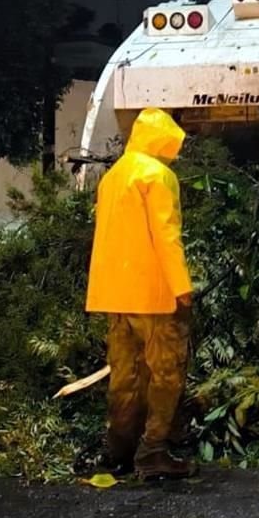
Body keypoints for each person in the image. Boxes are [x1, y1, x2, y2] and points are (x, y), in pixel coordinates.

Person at [85, 108, 196, 480]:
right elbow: (166, 235)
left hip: (115, 295)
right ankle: (152, 453)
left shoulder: (113, 177)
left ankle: (119, 450)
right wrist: (182, 286)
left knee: (125, 374)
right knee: (165, 373)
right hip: (154, 295)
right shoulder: (157, 174)